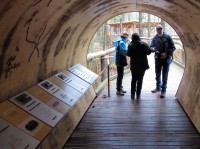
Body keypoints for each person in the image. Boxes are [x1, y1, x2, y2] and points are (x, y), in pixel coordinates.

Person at [150, 24, 176, 98]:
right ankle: (158, 87)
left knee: (165, 74)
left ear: (162, 29)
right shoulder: (154, 38)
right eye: (158, 29)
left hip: (166, 59)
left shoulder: (168, 37)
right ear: (156, 30)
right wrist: (153, 49)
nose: (159, 30)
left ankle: (163, 90)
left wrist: (167, 53)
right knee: (157, 74)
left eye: (160, 29)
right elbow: (151, 47)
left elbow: (173, 47)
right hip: (157, 58)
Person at [127, 33, 152, 99]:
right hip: (142, 64)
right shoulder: (143, 44)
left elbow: (128, 54)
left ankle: (132, 93)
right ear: (139, 37)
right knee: (140, 79)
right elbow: (149, 52)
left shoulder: (130, 45)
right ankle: (138, 93)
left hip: (134, 64)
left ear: (132, 38)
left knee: (134, 79)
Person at [114, 31, 129, 95]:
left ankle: (120, 87)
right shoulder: (122, 43)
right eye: (127, 37)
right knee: (120, 75)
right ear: (125, 37)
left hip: (118, 60)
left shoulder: (119, 41)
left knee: (120, 75)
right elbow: (125, 52)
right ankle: (118, 90)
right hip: (120, 60)